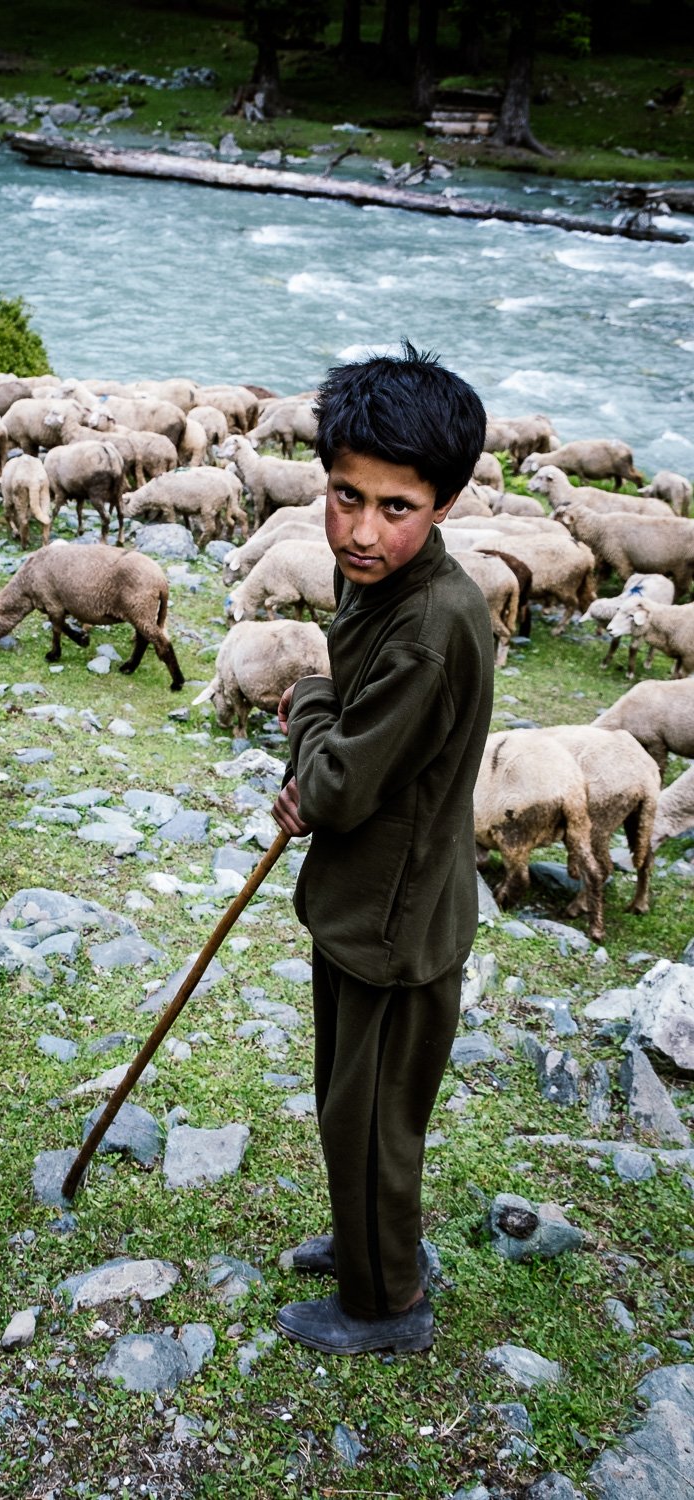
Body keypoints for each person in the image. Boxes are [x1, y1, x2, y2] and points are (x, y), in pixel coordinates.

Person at [270, 341, 494, 1356]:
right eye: (342, 495)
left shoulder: (431, 627)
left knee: (370, 1125)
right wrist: (329, 727)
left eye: (393, 508)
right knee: (346, 1104)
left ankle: (385, 1304)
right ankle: (366, 1241)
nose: (359, 531)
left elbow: (337, 785)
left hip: (395, 920)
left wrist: (311, 708)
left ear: (441, 503)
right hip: (365, 900)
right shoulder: (382, 582)